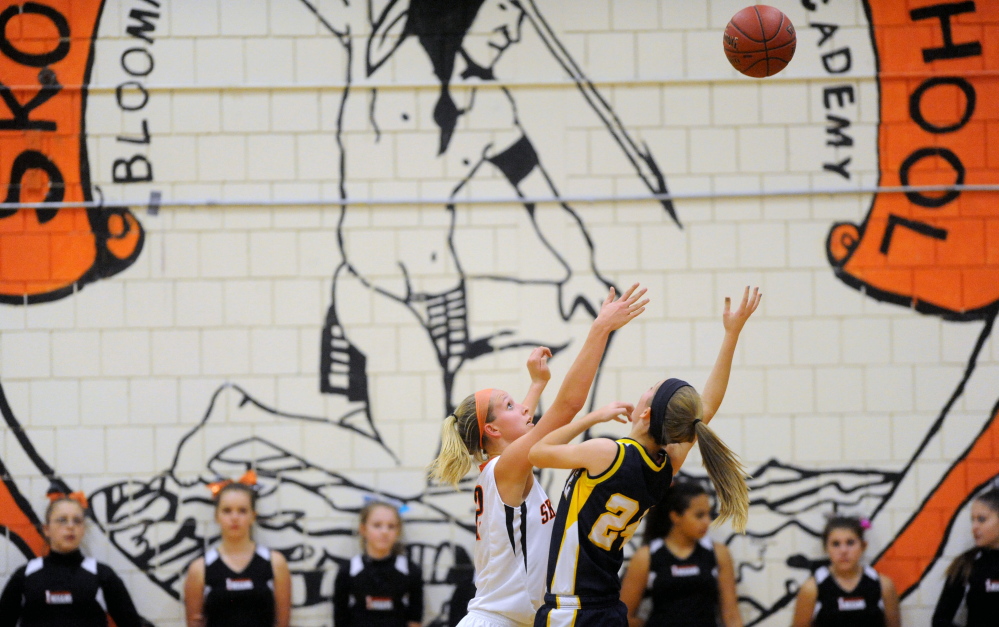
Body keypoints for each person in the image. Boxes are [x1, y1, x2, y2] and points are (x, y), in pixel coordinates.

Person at [528, 287, 761, 627]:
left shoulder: (606, 452)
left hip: (572, 610)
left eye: (649, 388)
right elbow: (705, 409)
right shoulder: (665, 467)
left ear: (646, 411)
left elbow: (536, 451)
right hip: (608, 608)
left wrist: (592, 418)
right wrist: (732, 335)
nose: (644, 390)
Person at [428, 283, 648, 627]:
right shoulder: (507, 468)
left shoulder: (505, 464)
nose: (525, 409)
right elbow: (567, 407)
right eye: (510, 405)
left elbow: (525, 426)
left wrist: (536, 384)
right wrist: (600, 328)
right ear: (493, 430)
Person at [0, 491, 142, 627]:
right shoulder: (25, 575)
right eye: (62, 520)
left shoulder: (102, 576)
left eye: (77, 521)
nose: (70, 526)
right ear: (46, 529)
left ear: (83, 529)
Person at [619, 481, 742, 627]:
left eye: (708, 514)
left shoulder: (718, 553)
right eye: (699, 515)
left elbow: (731, 616)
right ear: (675, 516)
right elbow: (624, 616)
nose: (707, 521)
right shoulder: (647, 556)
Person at [183, 476, 291, 627]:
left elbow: (283, 623)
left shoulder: (275, 563)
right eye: (227, 511)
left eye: (242, 511)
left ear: (253, 516)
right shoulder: (200, 568)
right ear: (216, 516)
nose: (234, 518)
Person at [791, 516, 901, 627]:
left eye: (850, 543)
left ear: (863, 546)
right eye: (836, 544)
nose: (843, 551)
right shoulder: (811, 588)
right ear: (826, 548)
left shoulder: (883, 585)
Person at [333, 500, 424, 627]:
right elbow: (340, 618)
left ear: (398, 531)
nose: (384, 531)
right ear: (363, 529)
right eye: (377, 525)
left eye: (391, 526)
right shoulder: (348, 571)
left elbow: (415, 619)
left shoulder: (410, 570)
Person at [932, 487, 999, 626]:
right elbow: (940, 620)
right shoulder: (966, 563)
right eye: (972, 520)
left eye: (981, 519)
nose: (974, 527)